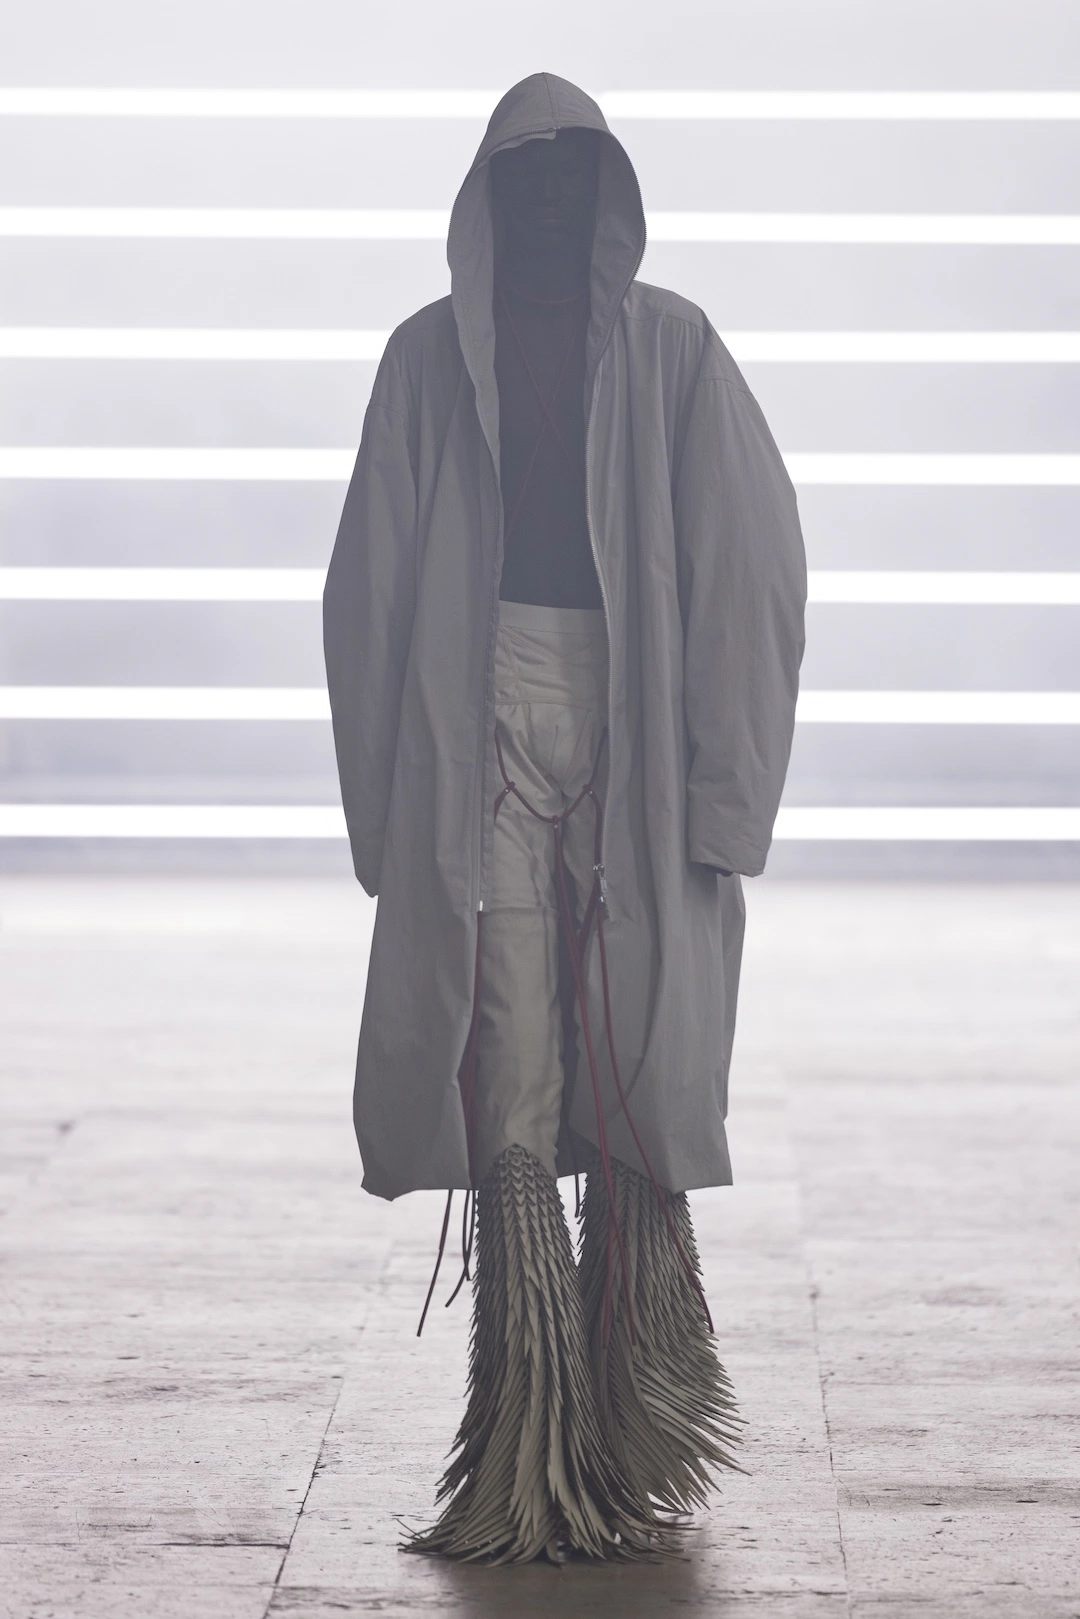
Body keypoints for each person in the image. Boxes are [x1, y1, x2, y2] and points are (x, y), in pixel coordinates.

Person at [323, 72, 806, 1563]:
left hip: (637, 711)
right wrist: (386, 813)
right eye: (520, 180)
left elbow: (751, 573)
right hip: (478, 704)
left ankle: (628, 1410)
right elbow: (368, 591)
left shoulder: (676, 351)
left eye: (570, 178)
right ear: (485, 203)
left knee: (641, 1036)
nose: (545, 202)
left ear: (607, 201)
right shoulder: (425, 360)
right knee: (511, 1039)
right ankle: (527, 1450)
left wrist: (727, 795)